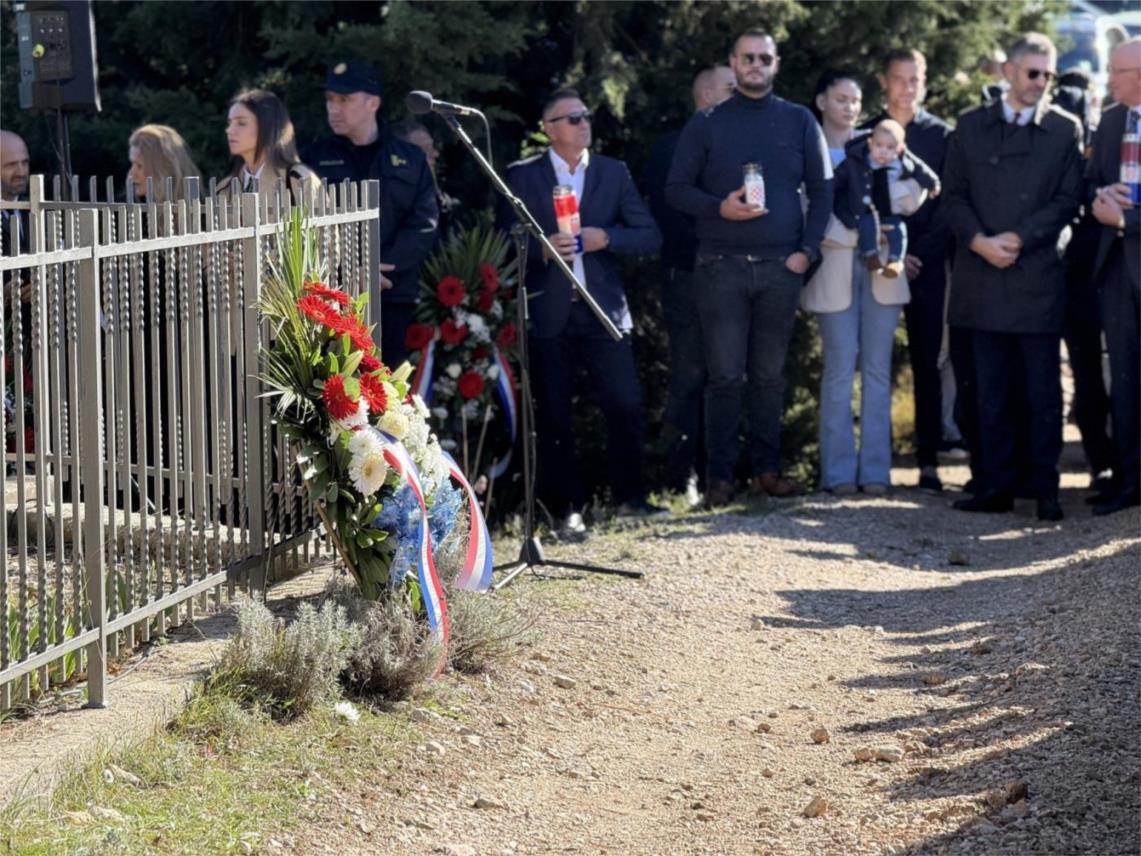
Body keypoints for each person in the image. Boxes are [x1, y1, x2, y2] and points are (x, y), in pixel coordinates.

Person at [665, 29, 833, 508]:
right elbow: (676, 189)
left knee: (769, 376)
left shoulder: (800, 120)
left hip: (782, 266)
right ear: (733, 63)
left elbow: (823, 192)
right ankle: (721, 479)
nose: (755, 65)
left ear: (776, 64)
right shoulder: (708, 123)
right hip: (721, 267)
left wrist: (807, 252)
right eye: (747, 58)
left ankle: (767, 472)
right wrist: (720, 208)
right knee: (723, 377)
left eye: (764, 58)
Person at [499, 89, 664, 535]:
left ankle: (631, 499)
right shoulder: (521, 176)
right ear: (549, 128)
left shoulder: (613, 172)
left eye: (586, 115)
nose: (583, 123)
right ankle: (565, 511)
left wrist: (605, 238)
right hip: (551, 311)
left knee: (626, 403)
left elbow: (649, 235)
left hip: (604, 310)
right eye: (571, 118)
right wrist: (543, 251)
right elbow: (501, 243)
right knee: (554, 413)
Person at [944, 33, 1083, 522]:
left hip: (1036, 275)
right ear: (1007, 72)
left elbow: (1068, 201)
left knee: (1042, 392)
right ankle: (994, 486)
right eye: (1033, 73)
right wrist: (981, 241)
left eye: (1049, 75)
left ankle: (1044, 488)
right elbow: (953, 196)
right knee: (989, 391)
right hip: (982, 276)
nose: (1042, 82)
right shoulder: (970, 126)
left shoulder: (1066, 130)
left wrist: (1021, 238)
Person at [803, 71, 923, 496]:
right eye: (841, 99)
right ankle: (836, 474)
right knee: (838, 371)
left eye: (855, 100)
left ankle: (875, 472)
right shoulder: (809, 146)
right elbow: (806, 212)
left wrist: (889, 227)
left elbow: (913, 194)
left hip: (883, 272)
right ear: (822, 102)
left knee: (876, 370)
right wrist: (859, 235)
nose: (850, 107)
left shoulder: (880, 144)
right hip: (834, 267)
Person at [638, 65, 735, 504]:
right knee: (691, 376)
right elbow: (674, 217)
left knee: (731, 376)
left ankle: (727, 475)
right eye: (731, 89)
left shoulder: (740, 147)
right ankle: (682, 479)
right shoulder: (670, 149)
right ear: (708, 96)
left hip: (737, 275)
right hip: (689, 277)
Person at [301, 60, 438, 367]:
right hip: (333, 297)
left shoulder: (409, 158)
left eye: (345, 100)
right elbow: (306, 223)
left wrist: (377, 269)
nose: (334, 108)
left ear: (373, 103)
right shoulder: (312, 159)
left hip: (392, 293)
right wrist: (350, 272)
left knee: (387, 394)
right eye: (330, 100)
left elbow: (423, 224)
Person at [862, 49, 954, 494]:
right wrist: (888, 249)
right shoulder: (868, 135)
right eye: (899, 79)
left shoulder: (941, 135)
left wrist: (918, 254)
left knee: (927, 361)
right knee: (873, 362)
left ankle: (929, 462)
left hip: (927, 265)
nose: (908, 87)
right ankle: (871, 466)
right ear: (884, 82)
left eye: (915, 78)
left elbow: (948, 200)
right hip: (879, 262)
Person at [1087, 37, 1141, 515]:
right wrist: (1102, 197)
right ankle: (1128, 482)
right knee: (1123, 378)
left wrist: (1126, 220)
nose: (1109, 80)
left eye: (1116, 72)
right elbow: (1090, 182)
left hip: (1131, 243)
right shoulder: (1108, 122)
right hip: (1116, 270)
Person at [835, 118, 940, 279]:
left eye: (890, 147)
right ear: (870, 143)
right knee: (866, 226)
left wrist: (933, 184)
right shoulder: (857, 162)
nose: (883, 151)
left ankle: (895, 261)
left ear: (899, 149)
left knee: (899, 231)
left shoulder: (904, 162)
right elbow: (838, 178)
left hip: (889, 210)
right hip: (866, 210)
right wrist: (828, 188)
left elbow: (922, 170)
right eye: (879, 145)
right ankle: (870, 255)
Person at [218, 88, 321, 202]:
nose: (229, 130)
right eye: (229, 123)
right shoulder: (225, 188)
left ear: (268, 127)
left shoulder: (298, 180)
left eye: (241, 123)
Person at [392, 117, 460, 241]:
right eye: (425, 149)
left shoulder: (440, 196)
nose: (435, 153)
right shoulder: (395, 202)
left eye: (432, 146)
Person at [127, 124, 201, 203]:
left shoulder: (203, 211)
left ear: (163, 168)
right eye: (132, 164)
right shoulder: (129, 209)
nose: (131, 175)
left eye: (139, 166)